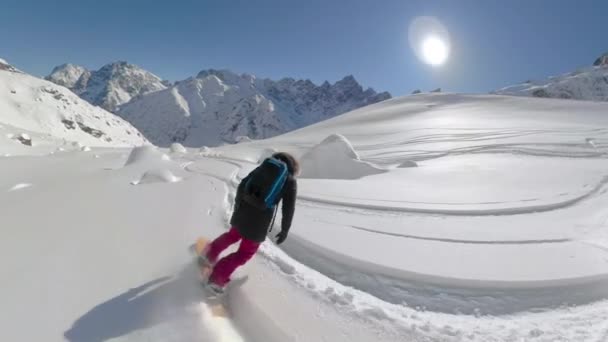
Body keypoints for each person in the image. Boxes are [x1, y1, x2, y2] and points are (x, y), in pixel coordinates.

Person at [200, 152, 299, 293]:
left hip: (243, 211)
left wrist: (238, 207)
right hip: (259, 222)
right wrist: (284, 230)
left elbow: (242, 185)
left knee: (231, 236)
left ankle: (208, 253)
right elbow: (288, 208)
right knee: (245, 252)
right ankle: (216, 278)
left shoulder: (264, 167)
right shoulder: (289, 180)